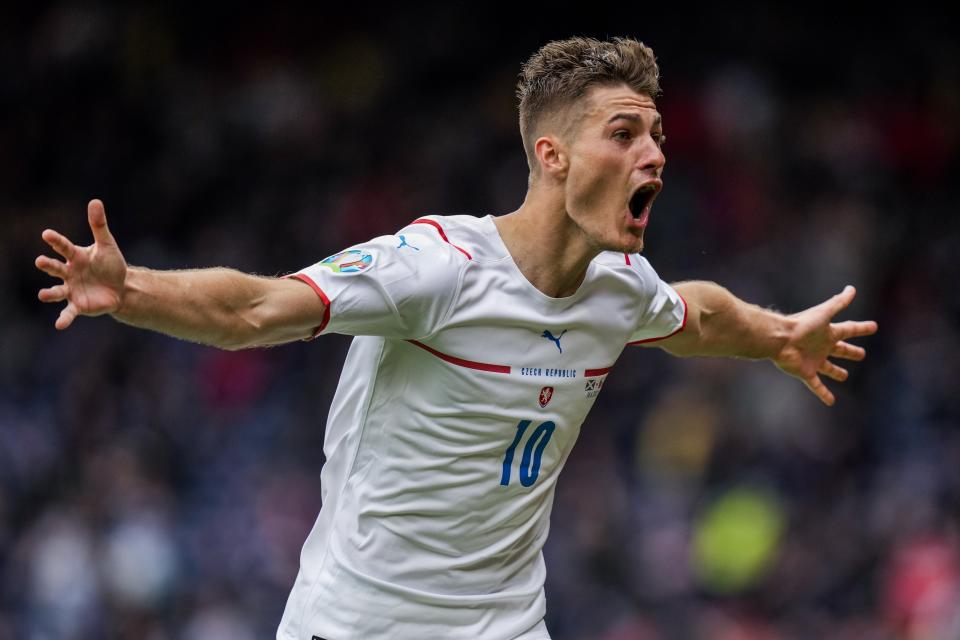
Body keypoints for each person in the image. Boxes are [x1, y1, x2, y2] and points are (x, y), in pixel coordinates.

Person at [35, 36, 877, 640]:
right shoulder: (436, 267)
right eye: (624, 134)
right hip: (356, 622)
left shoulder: (621, 288)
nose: (654, 154)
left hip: (504, 624)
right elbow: (255, 310)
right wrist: (132, 289)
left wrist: (775, 338)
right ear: (552, 156)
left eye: (657, 135)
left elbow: (696, 318)